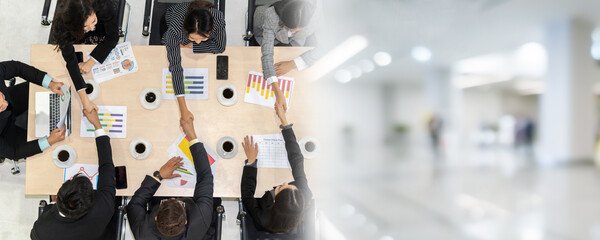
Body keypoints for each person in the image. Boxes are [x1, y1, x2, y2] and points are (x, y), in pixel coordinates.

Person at [31, 108, 115, 240]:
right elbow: (107, 166)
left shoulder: (41, 230)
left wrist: (52, 205)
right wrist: (97, 125)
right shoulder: (104, 206)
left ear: (57, 196)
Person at [126, 116, 214, 239]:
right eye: (177, 202)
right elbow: (206, 177)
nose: (173, 197)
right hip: (190, 201)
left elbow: (134, 205)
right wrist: (192, 136)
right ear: (186, 222)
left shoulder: (143, 233)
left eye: (167, 201)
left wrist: (158, 176)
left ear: (156, 218)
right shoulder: (200, 220)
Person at [241, 102, 312, 233]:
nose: (284, 182)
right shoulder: (304, 193)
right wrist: (284, 123)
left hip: (266, 219)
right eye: (290, 185)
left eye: (280, 188)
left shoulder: (264, 218)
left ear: (274, 201)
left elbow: (246, 196)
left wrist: (251, 163)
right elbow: (296, 159)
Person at [161, 0, 226, 123]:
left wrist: (192, 46)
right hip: (170, 18)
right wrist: (183, 108)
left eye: (204, 38)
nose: (198, 42)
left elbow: (220, 47)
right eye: (193, 38)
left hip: (186, 36)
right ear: (186, 32)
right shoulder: (174, 30)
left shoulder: (217, 18)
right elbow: (175, 68)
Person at [51, 0, 119, 115]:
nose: (92, 28)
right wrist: (84, 99)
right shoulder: (64, 22)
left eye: (93, 21)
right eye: (86, 26)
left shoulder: (104, 5)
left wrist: (91, 62)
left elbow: (112, 37)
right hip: (77, 37)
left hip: (101, 28)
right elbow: (70, 60)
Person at [254, 0, 319, 110]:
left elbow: (327, 48)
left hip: (297, 42)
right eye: (290, 28)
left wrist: (293, 64)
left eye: (297, 29)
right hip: (270, 36)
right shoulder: (270, 15)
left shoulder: (317, 17)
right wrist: (277, 90)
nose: (292, 32)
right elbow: (267, 53)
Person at [0, 60, 66, 160]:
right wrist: (48, 141)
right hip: (7, 133)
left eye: (1, 96)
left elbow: (18, 68)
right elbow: (14, 152)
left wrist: (50, 83)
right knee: (54, 147)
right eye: (1, 107)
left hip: (13, 97)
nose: (5, 104)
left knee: (52, 95)